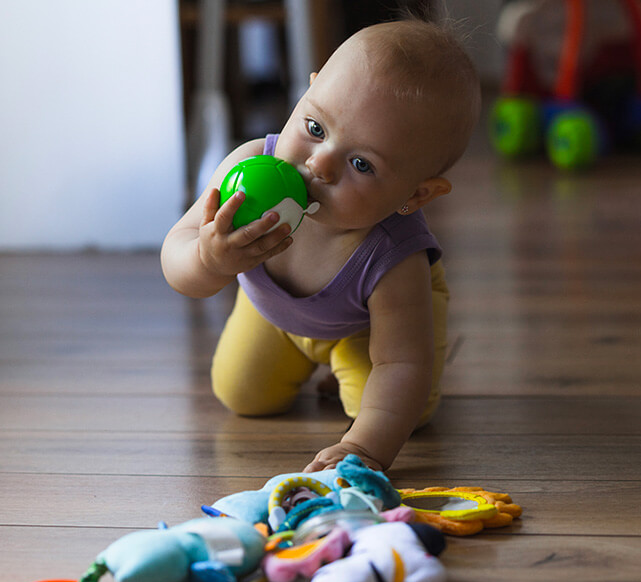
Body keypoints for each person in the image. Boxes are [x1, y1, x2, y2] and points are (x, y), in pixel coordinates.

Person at [161, 18, 481, 472]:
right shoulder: (246, 170)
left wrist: (364, 448)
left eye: (360, 163)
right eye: (315, 127)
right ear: (305, 95)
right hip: (273, 316)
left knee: (403, 407)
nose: (319, 164)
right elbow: (177, 255)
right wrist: (207, 259)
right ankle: (312, 359)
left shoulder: (393, 253)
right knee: (241, 396)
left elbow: (401, 364)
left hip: (366, 329)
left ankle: (349, 363)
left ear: (416, 194)